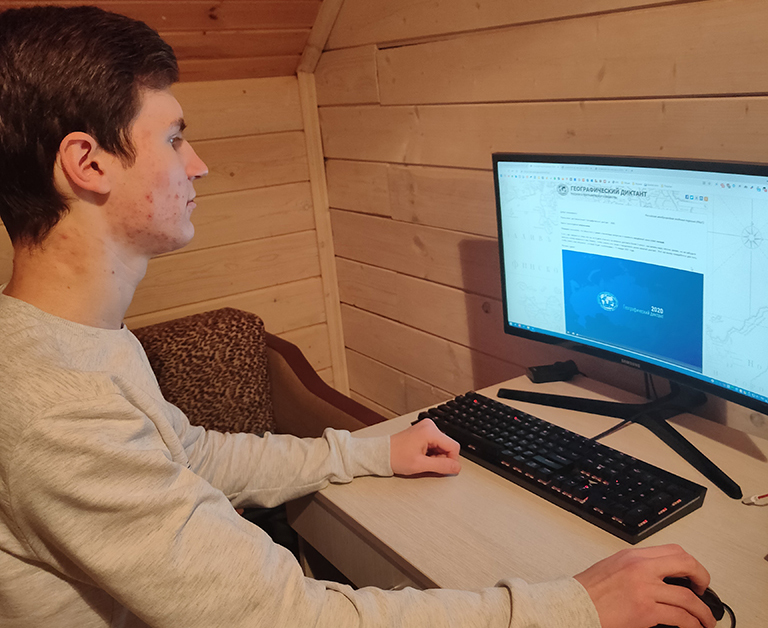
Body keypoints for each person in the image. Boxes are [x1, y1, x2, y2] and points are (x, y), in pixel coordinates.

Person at [0, 6, 716, 628]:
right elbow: (290, 617)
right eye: (173, 138)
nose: (199, 165)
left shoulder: (76, 343)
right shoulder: (55, 410)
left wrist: (367, 452)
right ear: (88, 163)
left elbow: (192, 458)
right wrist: (576, 607)